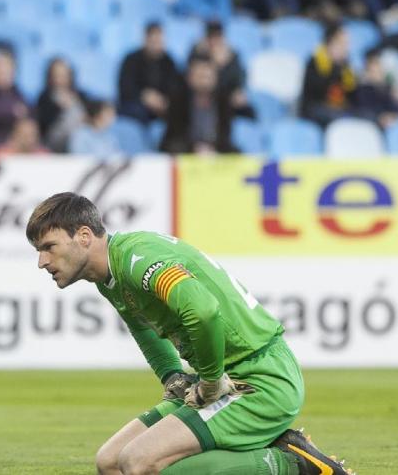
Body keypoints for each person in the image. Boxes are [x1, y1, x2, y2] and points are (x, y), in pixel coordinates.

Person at [24, 192, 352, 475]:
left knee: (138, 462)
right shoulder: (108, 273)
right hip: (225, 377)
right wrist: (171, 376)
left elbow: (203, 310)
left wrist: (210, 379)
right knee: (110, 462)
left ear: (83, 236)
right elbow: (142, 327)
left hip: (260, 379)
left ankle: (291, 463)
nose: (41, 261)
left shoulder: (139, 261)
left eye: (49, 247)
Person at [160, 56, 237, 154]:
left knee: (235, 153)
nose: (204, 81)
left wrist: (212, 148)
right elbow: (175, 133)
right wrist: (195, 148)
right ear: (189, 78)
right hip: (186, 149)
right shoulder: (178, 99)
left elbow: (225, 133)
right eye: (200, 76)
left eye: (208, 77)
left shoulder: (223, 100)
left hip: (215, 149)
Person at [117, 22, 183, 124]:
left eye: (159, 40)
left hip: (161, 105)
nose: (157, 44)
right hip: (136, 104)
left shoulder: (169, 61)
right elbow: (125, 87)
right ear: (145, 39)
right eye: (153, 40)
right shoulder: (131, 59)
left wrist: (162, 100)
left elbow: (174, 86)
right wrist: (144, 96)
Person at [298, 23, 356, 127]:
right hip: (315, 109)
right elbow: (317, 92)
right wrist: (335, 68)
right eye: (342, 43)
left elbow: (351, 92)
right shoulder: (315, 61)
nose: (346, 48)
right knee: (339, 118)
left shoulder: (345, 65)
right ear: (330, 43)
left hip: (338, 108)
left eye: (347, 44)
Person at [36, 58, 90, 153]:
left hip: (81, 138)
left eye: (64, 74)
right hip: (55, 142)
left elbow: (91, 117)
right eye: (57, 75)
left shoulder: (81, 96)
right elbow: (44, 126)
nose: (60, 78)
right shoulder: (45, 97)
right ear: (50, 76)